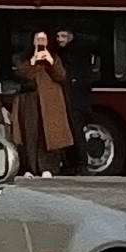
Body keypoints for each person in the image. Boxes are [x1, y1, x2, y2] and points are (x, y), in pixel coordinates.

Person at [11, 31, 74, 177]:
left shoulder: (55, 57)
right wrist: (33, 61)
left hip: (50, 102)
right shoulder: (24, 58)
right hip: (30, 101)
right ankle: (31, 168)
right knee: (30, 133)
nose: (41, 41)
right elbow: (20, 74)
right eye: (38, 38)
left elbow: (62, 76)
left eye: (43, 39)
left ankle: (48, 168)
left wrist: (50, 61)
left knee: (49, 135)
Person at [53, 27, 92, 175]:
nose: (60, 39)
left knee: (76, 133)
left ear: (71, 36)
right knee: (67, 132)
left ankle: (82, 164)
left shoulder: (78, 54)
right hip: (67, 99)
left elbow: (83, 78)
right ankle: (71, 164)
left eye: (63, 36)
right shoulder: (60, 54)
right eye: (58, 36)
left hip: (76, 101)